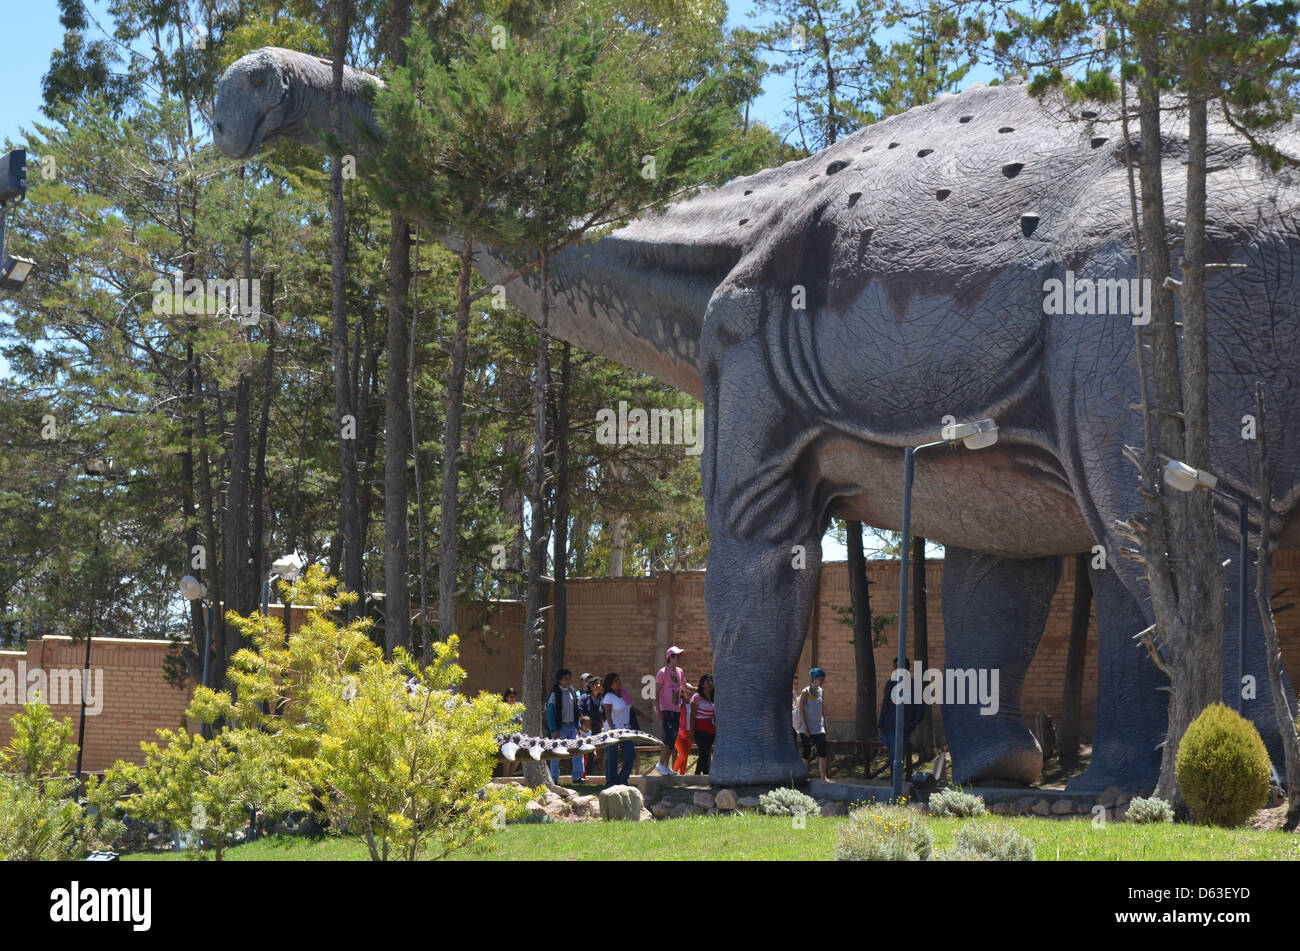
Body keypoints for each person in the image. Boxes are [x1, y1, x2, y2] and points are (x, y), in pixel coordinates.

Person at [880, 659, 925, 777]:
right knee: (894, 754)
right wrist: (881, 724)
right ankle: (894, 783)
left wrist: (913, 723)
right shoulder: (890, 684)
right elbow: (885, 704)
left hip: (904, 725)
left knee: (897, 754)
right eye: (894, 667)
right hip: (890, 725)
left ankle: (896, 783)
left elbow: (920, 707)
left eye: (897, 667)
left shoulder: (913, 685)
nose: (895, 670)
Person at [653, 646, 690, 777]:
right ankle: (660, 763)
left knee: (673, 738)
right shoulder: (662, 672)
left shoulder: (680, 671)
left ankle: (665, 765)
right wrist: (658, 709)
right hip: (666, 708)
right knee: (669, 736)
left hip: (676, 709)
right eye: (677, 656)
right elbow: (656, 691)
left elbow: (684, 685)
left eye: (680, 655)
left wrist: (697, 688)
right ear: (670, 657)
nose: (679, 658)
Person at [546, 669, 584, 783]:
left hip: (572, 727)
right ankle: (554, 778)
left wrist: (578, 726)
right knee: (556, 753)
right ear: (559, 680)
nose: (568, 681)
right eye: (565, 679)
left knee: (577, 750)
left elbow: (575, 710)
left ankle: (577, 777)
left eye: (569, 679)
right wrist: (554, 729)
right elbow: (550, 714)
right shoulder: (554, 694)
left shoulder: (572, 691)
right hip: (559, 728)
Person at [601, 672, 636, 788]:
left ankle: (622, 780)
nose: (619, 682)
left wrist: (644, 716)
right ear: (610, 685)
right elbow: (608, 715)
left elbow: (630, 708)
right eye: (616, 681)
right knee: (612, 757)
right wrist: (613, 731)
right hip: (612, 730)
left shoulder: (624, 694)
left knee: (631, 753)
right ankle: (611, 783)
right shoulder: (608, 697)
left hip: (625, 729)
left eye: (619, 680)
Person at [797, 667, 830, 782]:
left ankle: (823, 777)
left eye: (823, 679)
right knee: (806, 752)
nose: (822, 682)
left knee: (823, 752)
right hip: (807, 728)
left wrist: (825, 722)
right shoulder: (805, 692)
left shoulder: (821, 691)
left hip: (818, 728)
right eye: (821, 679)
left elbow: (822, 709)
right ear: (814, 679)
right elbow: (801, 709)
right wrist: (805, 727)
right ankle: (803, 776)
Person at [690, 674, 716, 775]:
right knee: (704, 752)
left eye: (711, 681)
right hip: (700, 730)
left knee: (706, 752)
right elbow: (692, 716)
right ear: (702, 684)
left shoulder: (714, 697)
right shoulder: (696, 697)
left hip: (712, 730)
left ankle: (705, 775)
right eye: (707, 681)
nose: (710, 683)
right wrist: (691, 732)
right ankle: (697, 774)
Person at [502, 687, 522, 778]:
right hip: (506, 735)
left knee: (519, 756)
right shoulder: (503, 707)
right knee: (508, 757)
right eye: (510, 697)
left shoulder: (518, 706)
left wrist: (521, 720)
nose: (512, 699)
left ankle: (509, 776)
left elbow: (522, 719)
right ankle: (506, 778)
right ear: (506, 697)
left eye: (514, 697)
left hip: (517, 735)